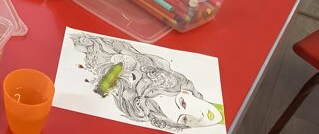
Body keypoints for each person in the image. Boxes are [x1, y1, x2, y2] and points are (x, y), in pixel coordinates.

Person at [69, 32, 225, 130]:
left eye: (184, 118)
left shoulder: (141, 108)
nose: (179, 107)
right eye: (183, 102)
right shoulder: (164, 79)